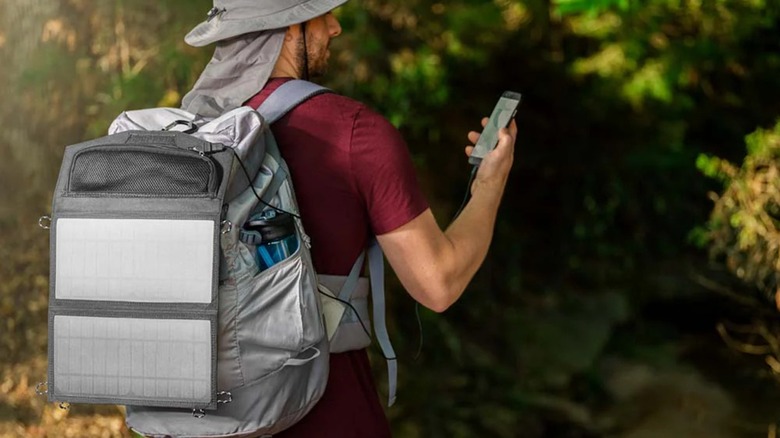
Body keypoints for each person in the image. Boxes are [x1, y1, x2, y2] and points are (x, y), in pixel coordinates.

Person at [181, 1, 517, 436]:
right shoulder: (355, 131)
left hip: (200, 420)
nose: (335, 27)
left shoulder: (188, 137)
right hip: (329, 416)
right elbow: (438, 283)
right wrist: (490, 185)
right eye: (322, 15)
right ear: (290, 27)